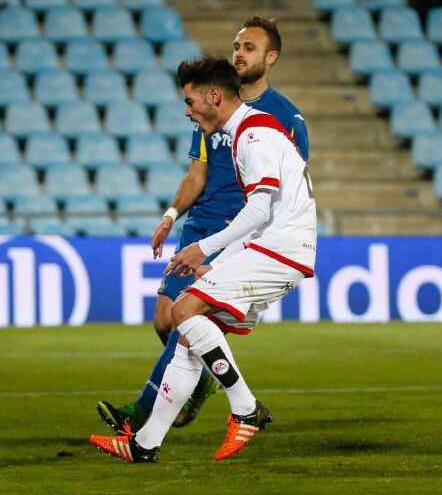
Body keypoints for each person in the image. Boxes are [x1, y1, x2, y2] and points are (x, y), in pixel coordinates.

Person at [90, 55, 317, 463]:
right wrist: (227, 255)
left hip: (281, 247)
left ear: (215, 96)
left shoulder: (254, 133)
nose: (187, 110)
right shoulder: (242, 132)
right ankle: (144, 444)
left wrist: (205, 248)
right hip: (270, 245)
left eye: (191, 101)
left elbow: (261, 209)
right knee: (189, 342)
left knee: (184, 309)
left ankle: (246, 408)